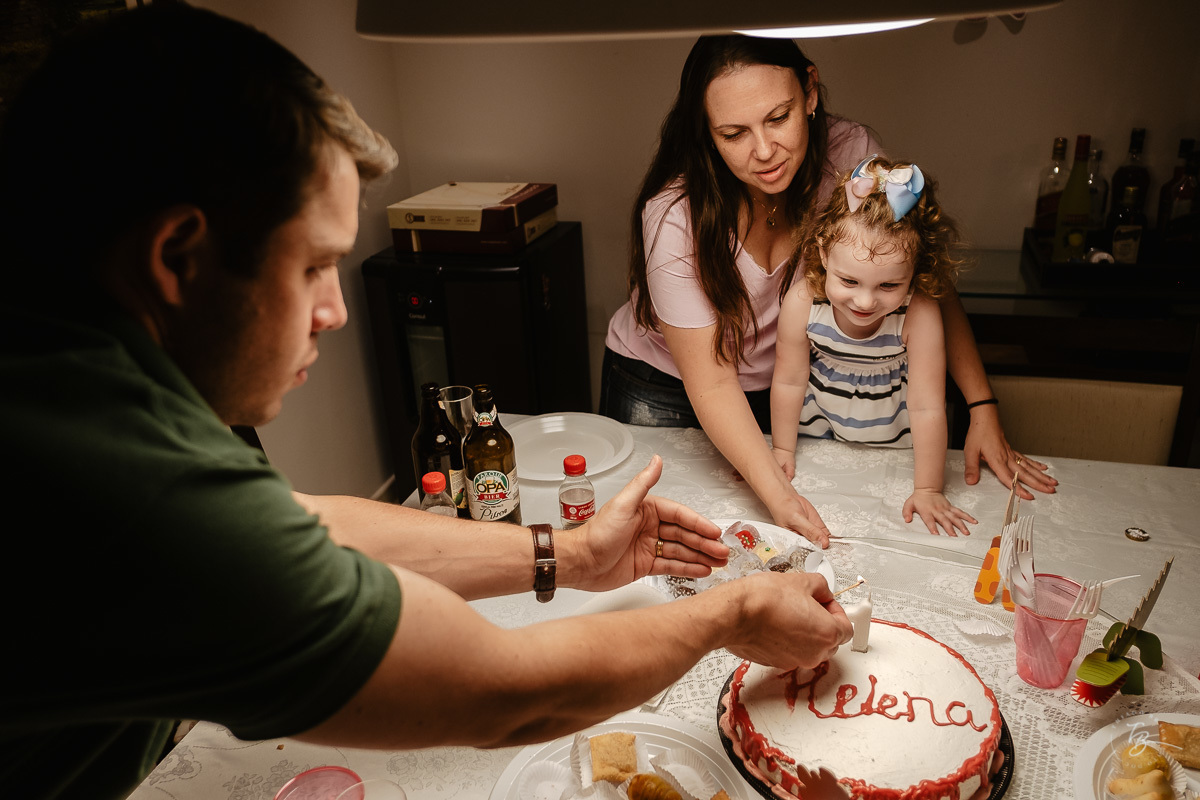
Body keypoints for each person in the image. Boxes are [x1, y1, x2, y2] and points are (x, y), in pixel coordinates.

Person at [0, 7, 853, 800]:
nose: (335, 310)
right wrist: (733, 611)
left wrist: (565, 552)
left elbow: (306, 528)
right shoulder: (115, 491)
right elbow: (505, 695)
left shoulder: (78, 379)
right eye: (310, 268)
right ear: (175, 257)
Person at [600, 35, 1055, 548]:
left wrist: (982, 404)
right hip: (668, 389)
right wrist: (780, 500)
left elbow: (923, 280)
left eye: (778, 117)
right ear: (707, 133)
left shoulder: (852, 159)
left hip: (786, 387)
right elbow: (711, 384)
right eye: (733, 133)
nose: (764, 151)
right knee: (660, 545)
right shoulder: (672, 213)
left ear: (810, 93)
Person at [771, 156, 978, 537]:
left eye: (887, 286)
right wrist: (782, 451)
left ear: (915, 271)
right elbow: (788, 381)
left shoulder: (920, 313)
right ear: (822, 255)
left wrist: (928, 488)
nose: (865, 302)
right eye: (848, 281)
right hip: (820, 443)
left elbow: (928, 405)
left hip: (895, 450)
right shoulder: (802, 302)